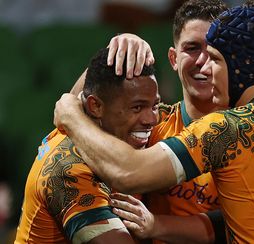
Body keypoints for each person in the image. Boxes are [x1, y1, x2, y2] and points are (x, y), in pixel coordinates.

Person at [54, 0, 254, 243]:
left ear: (241, 65)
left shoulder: (229, 129)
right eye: (193, 49)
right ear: (173, 58)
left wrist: (69, 111)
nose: (206, 67)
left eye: (215, 58)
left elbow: (125, 171)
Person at [15, 47, 160, 243]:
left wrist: (121, 44)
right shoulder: (67, 169)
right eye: (137, 107)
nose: (152, 119)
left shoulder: (123, 131)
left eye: (155, 106)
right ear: (96, 107)